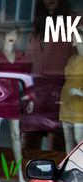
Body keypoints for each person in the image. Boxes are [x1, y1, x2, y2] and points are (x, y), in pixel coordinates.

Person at [21, 0, 76, 153]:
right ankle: (26, 177)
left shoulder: (71, 26)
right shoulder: (34, 33)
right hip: (36, 97)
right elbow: (27, 69)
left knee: (55, 149)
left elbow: (76, 64)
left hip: (59, 97)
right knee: (27, 146)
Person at [0, 28, 31, 182]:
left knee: (16, 135)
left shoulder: (21, 56)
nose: (11, 37)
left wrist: (29, 97)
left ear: (17, 37)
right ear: (3, 36)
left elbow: (26, 78)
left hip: (14, 100)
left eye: (14, 34)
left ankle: (20, 174)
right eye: (8, 33)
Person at [60, 26, 83, 155]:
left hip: (79, 104)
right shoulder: (71, 58)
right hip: (66, 102)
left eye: (75, 36)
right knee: (68, 140)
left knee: (79, 139)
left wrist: (81, 93)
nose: (72, 38)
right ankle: (69, 167)